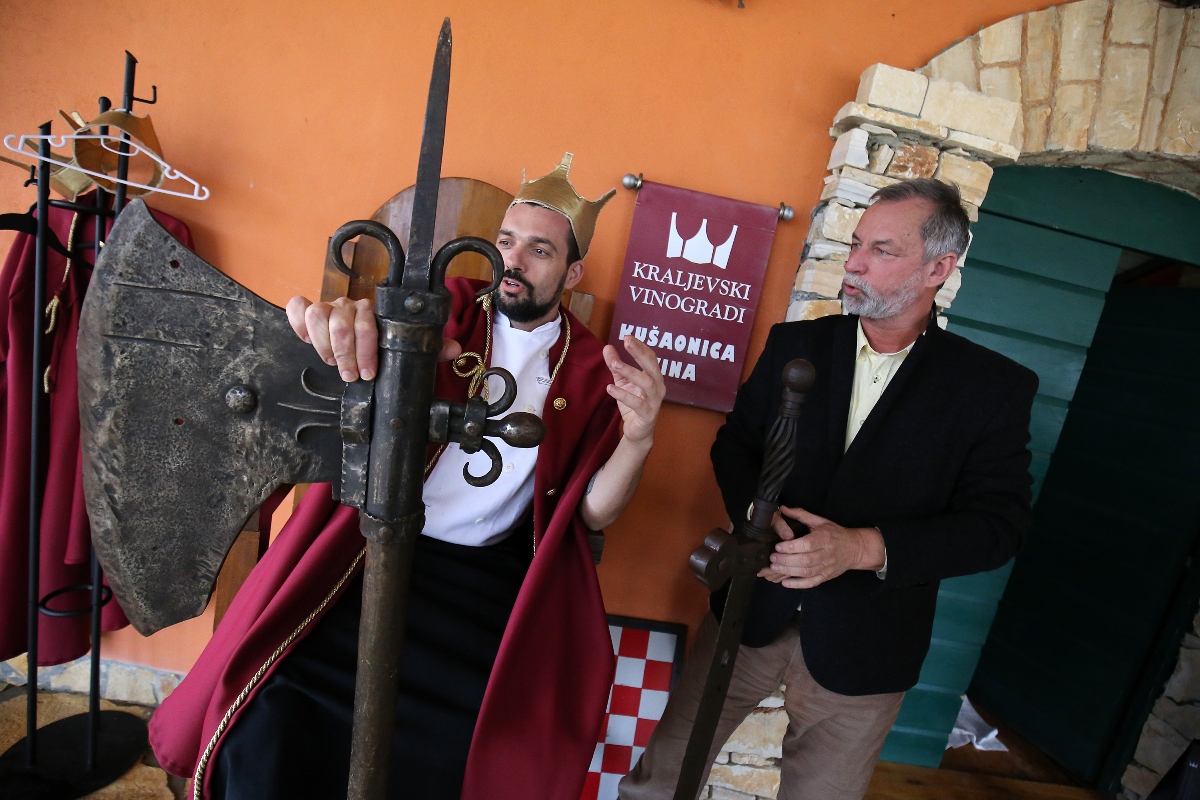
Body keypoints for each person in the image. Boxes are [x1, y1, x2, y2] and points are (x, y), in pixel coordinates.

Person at [150, 154, 666, 800]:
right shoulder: (444, 309)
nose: (513, 261)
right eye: (506, 242)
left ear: (573, 272)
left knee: (462, 749)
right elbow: (365, 341)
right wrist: (347, 331)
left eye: (540, 251)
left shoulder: (590, 366)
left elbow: (590, 513)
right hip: (374, 553)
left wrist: (640, 437)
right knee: (275, 708)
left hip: (487, 584)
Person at [619, 178, 1038, 800]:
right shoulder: (798, 345)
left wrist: (862, 548)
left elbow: (998, 528)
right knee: (658, 785)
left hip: (869, 644)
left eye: (882, 250)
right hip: (748, 611)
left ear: (938, 268)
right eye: (857, 243)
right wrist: (758, 516)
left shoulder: (992, 387)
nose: (856, 262)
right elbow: (736, 443)